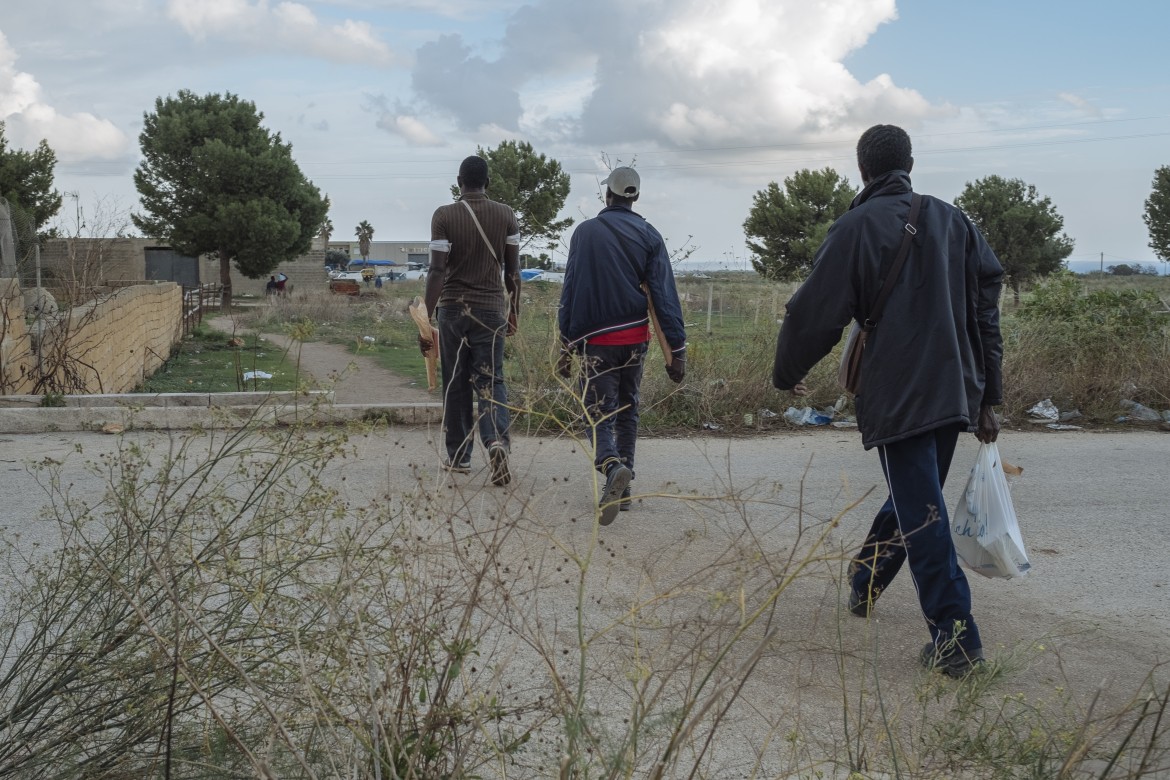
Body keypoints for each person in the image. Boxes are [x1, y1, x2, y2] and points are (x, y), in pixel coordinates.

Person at [771, 124, 1004, 678]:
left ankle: (956, 639)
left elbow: (813, 311)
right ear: (911, 163)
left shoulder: (855, 227)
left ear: (862, 169)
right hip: (953, 390)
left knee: (922, 511)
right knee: (914, 494)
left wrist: (786, 374)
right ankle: (864, 582)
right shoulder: (956, 222)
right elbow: (987, 314)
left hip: (899, 392)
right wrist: (988, 395)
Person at [558, 167, 687, 526]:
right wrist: (677, 351)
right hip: (635, 341)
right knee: (628, 411)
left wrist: (565, 345)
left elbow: (570, 290)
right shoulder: (649, 234)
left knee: (596, 412)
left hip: (594, 344)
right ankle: (625, 488)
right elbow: (664, 296)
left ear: (607, 195)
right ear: (635, 197)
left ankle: (612, 466)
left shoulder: (584, 234)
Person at [419, 155, 521, 486]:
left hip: (452, 311)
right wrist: (514, 311)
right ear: (487, 183)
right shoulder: (506, 215)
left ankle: (460, 457)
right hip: (491, 311)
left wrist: (426, 311)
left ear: (459, 182)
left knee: (455, 382)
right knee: (492, 381)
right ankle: (496, 442)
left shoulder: (444, 215)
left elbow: (436, 269)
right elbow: (513, 273)